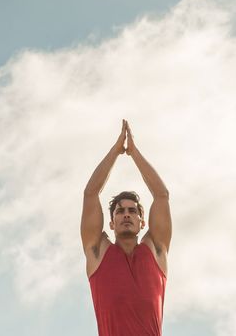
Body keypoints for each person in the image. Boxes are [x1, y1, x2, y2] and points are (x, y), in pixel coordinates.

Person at [81, 120, 171, 336]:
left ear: (143, 222)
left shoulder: (156, 250)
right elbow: (90, 194)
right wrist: (115, 152)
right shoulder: (98, 251)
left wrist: (134, 153)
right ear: (111, 223)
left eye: (132, 211)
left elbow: (161, 196)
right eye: (120, 212)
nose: (127, 215)